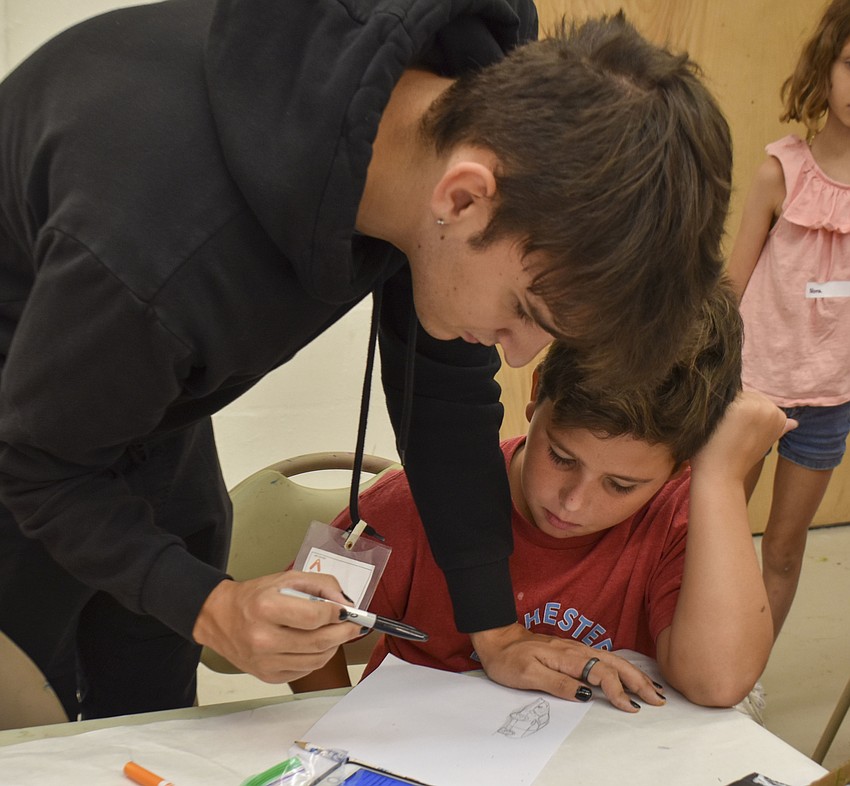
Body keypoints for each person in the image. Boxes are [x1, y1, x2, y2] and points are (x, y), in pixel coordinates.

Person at [0, 3, 734, 720]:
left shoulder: (474, 112)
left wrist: (495, 628)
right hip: (34, 422)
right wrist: (211, 606)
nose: (519, 352)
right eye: (525, 313)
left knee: (153, 696)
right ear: (465, 197)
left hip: (142, 392)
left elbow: (442, 383)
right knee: (34, 720)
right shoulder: (154, 256)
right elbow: (37, 464)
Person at [309, 283, 790, 710]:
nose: (572, 503)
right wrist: (337, 725)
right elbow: (300, 632)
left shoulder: (681, 518)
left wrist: (721, 478)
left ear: (680, 466)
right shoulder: (407, 503)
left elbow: (720, 682)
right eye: (561, 457)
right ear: (537, 394)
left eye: (621, 486)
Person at [727, 0, 850, 641]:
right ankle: (689, 649)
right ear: (825, 68)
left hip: (830, 401)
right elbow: (733, 283)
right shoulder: (782, 170)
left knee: (782, 547)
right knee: (707, 534)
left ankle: (749, 675)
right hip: (749, 387)